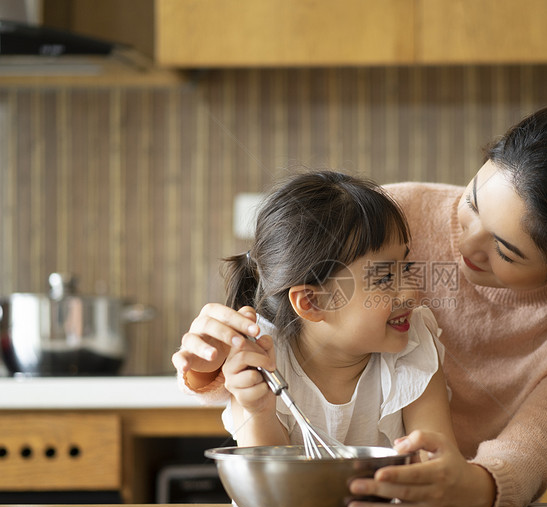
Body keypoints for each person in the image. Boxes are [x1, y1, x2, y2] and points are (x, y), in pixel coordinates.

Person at [173, 104, 547, 507]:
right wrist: (216, 362)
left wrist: (471, 488)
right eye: (472, 201)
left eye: (506, 252)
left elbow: (526, 453)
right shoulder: (397, 216)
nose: (465, 242)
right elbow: (291, 302)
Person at [176, 170, 455, 451]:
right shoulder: (259, 356)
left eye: (405, 267)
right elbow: (271, 488)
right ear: (312, 303)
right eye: (383, 278)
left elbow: (435, 467)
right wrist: (258, 410)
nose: (410, 293)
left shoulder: (414, 342)